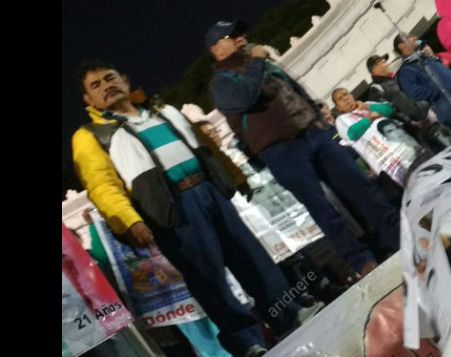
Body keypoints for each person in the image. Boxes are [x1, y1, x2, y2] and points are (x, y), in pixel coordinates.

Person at [71, 61, 322, 357]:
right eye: (96, 86)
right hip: (171, 212)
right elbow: (102, 185)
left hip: (207, 190)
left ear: (125, 80)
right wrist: (129, 220)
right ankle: (246, 343)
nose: (106, 86)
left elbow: (204, 146)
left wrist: (233, 176)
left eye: (110, 78)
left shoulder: (164, 111)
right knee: (208, 280)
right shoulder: (90, 136)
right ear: (89, 101)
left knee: (252, 257)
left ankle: (288, 314)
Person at [206, 20, 400, 279]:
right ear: (217, 49)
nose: (241, 37)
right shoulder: (221, 83)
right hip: (279, 151)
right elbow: (244, 98)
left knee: (361, 186)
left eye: (241, 32)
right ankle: (361, 261)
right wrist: (255, 63)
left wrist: (317, 120)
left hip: (312, 133)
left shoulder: (262, 64)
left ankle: (398, 233)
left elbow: (294, 90)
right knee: (322, 209)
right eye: (232, 35)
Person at [394, 33, 451, 138]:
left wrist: (434, 58)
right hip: (446, 107)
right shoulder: (405, 71)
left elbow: (443, 72)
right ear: (402, 46)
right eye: (409, 37)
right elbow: (415, 92)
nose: (415, 37)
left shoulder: (424, 58)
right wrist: (440, 91)